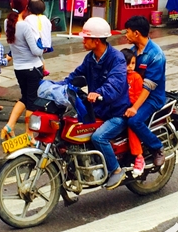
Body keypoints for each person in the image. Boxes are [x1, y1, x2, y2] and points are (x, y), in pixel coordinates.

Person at [62, 17, 130, 190]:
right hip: (98, 110)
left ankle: (115, 170)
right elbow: (76, 76)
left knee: (99, 137)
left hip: (117, 112)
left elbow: (114, 85)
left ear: (97, 40)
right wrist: (58, 86)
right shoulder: (90, 58)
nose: (83, 41)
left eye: (86, 38)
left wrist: (99, 93)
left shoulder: (117, 59)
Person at [1, 0, 45, 143]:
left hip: (19, 68)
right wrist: (43, 47)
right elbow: (35, 51)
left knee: (25, 98)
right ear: (26, 7)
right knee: (32, 102)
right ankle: (29, 135)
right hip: (33, 69)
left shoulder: (8, 22)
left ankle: (9, 126)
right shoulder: (25, 26)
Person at [124, 16, 166, 168]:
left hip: (152, 98)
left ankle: (157, 147)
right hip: (134, 94)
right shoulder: (133, 51)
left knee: (134, 120)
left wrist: (135, 108)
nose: (125, 35)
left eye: (127, 32)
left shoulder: (156, 55)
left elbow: (148, 87)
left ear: (136, 33)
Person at [121, 48, 145, 177]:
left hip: (133, 107)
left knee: (131, 124)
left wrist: (129, 104)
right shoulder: (118, 76)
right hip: (120, 108)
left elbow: (138, 96)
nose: (130, 67)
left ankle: (139, 156)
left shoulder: (136, 77)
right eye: (127, 63)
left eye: (133, 63)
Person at [25, 0, 53, 76]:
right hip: (45, 42)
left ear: (29, 8)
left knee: (38, 56)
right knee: (40, 56)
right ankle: (44, 69)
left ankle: (44, 69)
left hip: (36, 42)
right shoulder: (45, 18)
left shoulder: (29, 18)